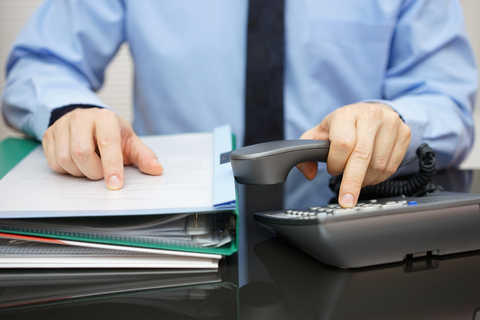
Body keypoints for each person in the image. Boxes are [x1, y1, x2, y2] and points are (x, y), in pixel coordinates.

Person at [1, 0, 477, 208]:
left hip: (350, 238)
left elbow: (447, 97)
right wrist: (69, 113)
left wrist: (395, 122)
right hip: (174, 257)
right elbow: (42, 63)